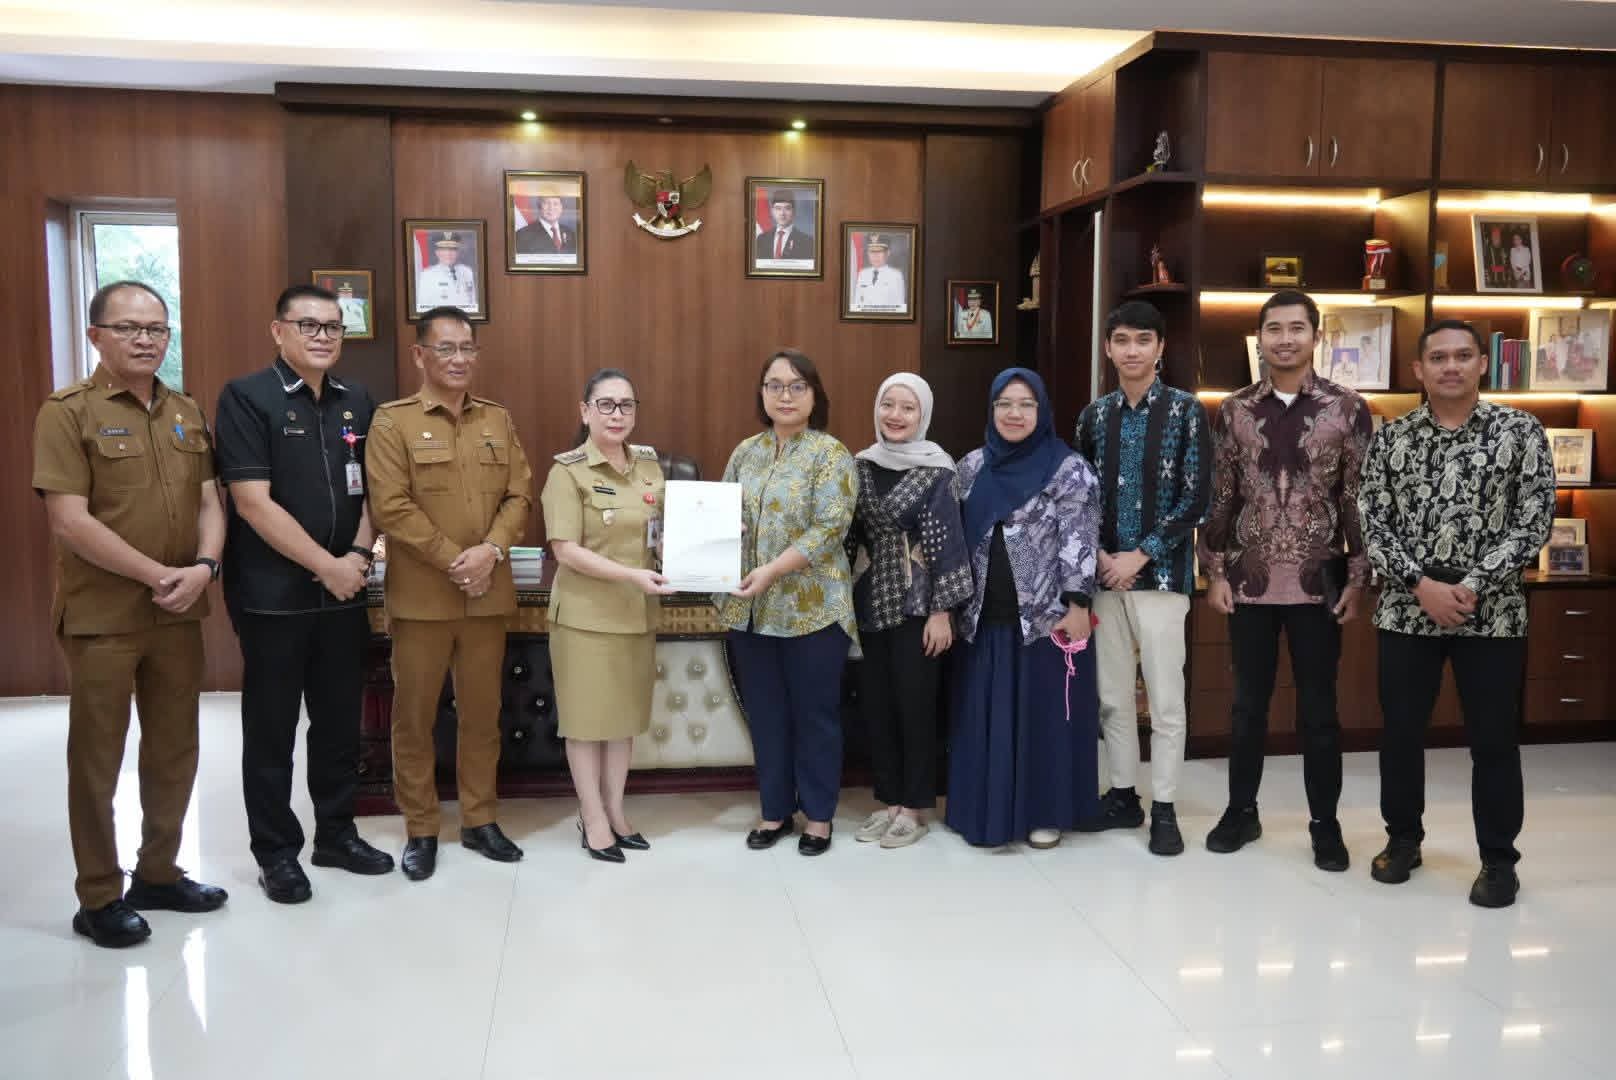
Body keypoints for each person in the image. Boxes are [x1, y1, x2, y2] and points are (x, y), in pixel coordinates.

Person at [32, 280, 228, 947]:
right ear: (96, 336)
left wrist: (205, 567)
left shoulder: (185, 410)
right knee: (97, 759)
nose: (145, 339)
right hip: (104, 617)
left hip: (179, 612)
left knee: (174, 749)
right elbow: (69, 520)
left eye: (156, 328)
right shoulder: (67, 413)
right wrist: (157, 575)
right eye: (128, 328)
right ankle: (98, 896)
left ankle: (159, 874)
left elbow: (210, 501)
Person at [1358, 319, 1554, 909]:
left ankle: (1498, 860)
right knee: (1400, 734)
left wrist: (1468, 584)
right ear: (1418, 369)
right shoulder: (1391, 439)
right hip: (1406, 608)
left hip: (1492, 613)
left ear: (1482, 364)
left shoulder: (1521, 431)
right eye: (1438, 357)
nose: (1451, 366)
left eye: (1463, 356)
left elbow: (1534, 521)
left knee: (1494, 739)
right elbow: (1373, 523)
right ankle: (1403, 840)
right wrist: (1421, 585)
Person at [213, 284, 394, 905]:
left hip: (345, 589)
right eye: (308, 325)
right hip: (273, 596)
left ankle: (336, 835)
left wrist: (359, 558)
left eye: (332, 327)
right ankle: (276, 853)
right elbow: (251, 503)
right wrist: (327, 565)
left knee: (340, 721)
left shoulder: (357, 400)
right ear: (279, 331)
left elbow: (374, 493)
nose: (322, 336)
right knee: (272, 730)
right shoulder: (247, 397)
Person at [1198, 290, 1372, 872]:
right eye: (1274, 329)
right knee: (1247, 707)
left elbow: (1358, 501)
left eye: (1297, 328)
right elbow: (1221, 497)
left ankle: (1325, 824)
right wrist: (1214, 571)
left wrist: (1357, 579)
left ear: (1316, 336)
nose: (1285, 339)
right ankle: (1240, 811)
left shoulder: (1347, 408)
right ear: (1261, 338)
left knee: (1320, 710)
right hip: (1248, 581)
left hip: (1319, 581)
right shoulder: (1234, 410)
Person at [365, 306, 533, 881]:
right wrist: (454, 560)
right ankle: (421, 827)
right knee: (414, 718)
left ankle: (480, 819)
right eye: (446, 348)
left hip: (487, 594)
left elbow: (519, 495)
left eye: (467, 348)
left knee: (482, 715)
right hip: (423, 599)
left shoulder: (497, 419)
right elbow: (390, 506)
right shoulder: (393, 423)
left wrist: (490, 551)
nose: (459, 358)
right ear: (420, 355)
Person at [1073, 301, 1212, 856]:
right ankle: (1123, 795)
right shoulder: (1093, 417)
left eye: (1143, 340)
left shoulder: (1186, 411)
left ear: (1160, 348)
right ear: (1108, 349)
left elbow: (1196, 498)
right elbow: (1079, 497)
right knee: (1111, 697)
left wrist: (1141, 555)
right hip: (1105, 579)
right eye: (1122, 341)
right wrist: (1103, 556)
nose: (1132, 350)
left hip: (1163, 579)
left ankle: (1166, 808)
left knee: (1165, 698)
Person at [946, 367, 1101, 849]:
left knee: (1043, 719)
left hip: (1045, 617)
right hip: (981, 615)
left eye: (1026, 404)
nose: (1014, 413)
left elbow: (1080, 536)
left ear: (1042, 410)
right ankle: (984, 811)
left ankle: (1044, 813)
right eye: (1004, 404)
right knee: (985, 716)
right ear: (992, 409)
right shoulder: (971, 467)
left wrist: (1078, 603)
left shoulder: (1067, 468)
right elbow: (952, 537)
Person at [719, 349, 856, 856]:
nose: (785, 395)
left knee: (815, 718)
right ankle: (774, 811)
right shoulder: (745, 453)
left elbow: (829, 529)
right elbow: (721, 514)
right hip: (751, 613)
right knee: (766, 716)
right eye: (774, 385)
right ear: (762, 394)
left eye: (797, 386)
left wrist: (772, 570)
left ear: (814, 395)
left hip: (813, 611)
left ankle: (818, 817)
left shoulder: (831, 454)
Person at [541, 369, 671, 863]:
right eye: (606, 404)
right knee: (586, 722)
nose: (617, 414)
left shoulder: (649, 466)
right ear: (585, 411)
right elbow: (566, 550)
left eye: (626, 405)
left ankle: (615, 811)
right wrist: (632, 575)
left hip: (637, 614)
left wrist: (700, 546)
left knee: (622, 721)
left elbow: (660, 535)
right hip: (585, 618)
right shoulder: (567, 472)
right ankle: (591, 817)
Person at [845, 374, 973, 849]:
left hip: (918, 606)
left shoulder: (938, 469)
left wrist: (943, 611)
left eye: (907, 408)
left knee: (916, 705)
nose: (895, 416)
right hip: (868, 600)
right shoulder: (859, 465)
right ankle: (889, 799)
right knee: (876, 704)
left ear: (923, 415)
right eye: (888, 405)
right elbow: (847, 534)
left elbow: (948, 543)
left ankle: (914, 807)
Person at [416, 232, 477, 312]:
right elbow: (422, 308)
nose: (448, 253)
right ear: (437, 252)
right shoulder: (427, 275)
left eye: (452, 249)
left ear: (458, 252)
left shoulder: (467, 272)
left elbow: (472, 303)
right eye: (443, 249)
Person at [754, 191, 814, 262]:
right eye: (778, 208)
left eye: (787, 208)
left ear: (794, 211)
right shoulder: (761, 239)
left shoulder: (807, 242)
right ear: (772, 211)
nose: (782, 213)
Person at [852, 235, 906, 312]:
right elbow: (856, 305)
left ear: (888, 253)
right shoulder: (862, 274)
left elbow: (899, 308)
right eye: (872, 252)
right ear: (868, 253)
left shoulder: (896, 276)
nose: (875, 256)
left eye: (879, 251)